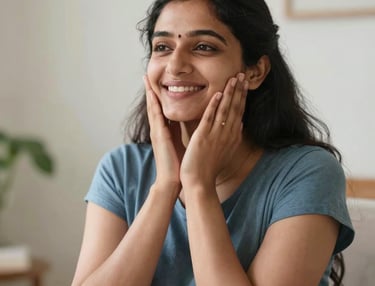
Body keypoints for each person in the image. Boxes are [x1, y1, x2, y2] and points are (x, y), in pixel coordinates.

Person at [72, 0, 354, 285]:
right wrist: (166, 186)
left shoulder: (308, 174)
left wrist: (197, 186)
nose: (176, 65)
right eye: (162, 47)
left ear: (255, 71)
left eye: (204, 47)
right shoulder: (121, 169)